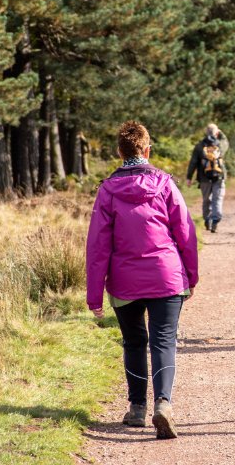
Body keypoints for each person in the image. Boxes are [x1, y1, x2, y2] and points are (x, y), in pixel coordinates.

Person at [86, 121, 198, 440]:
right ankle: (163, 404)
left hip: (124, 281)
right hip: (166, 276)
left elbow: (97, 246)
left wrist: (94, 294)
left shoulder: (108, 190)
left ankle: (137, 408)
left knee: (134, 341)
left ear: (118, 153)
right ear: (147, 150)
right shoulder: (164, 183)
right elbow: (185, 232)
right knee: (163, 340)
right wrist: (191, 275)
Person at [186, 123, 229, 232]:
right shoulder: (220, 144)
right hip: (219, 176)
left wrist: (189, 177)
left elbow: (193, 162)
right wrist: (219, 132)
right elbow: (226, 140)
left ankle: (207, 220)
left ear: (206, 132)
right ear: (217, 133)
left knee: (206, 200)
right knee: (217, 199)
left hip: (204, 177)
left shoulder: (200, 146)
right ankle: (215, 220)